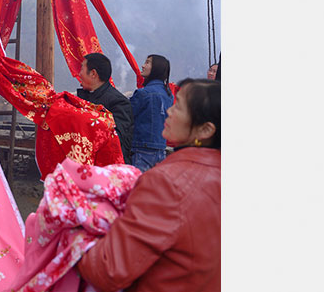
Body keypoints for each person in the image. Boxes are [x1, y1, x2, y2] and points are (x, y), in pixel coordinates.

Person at [77, 79, 221, 292]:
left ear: (205, 130)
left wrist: (74, 235)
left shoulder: (166, 183)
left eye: (179, 106)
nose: (169, 111)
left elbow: (107, 270)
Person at [77, 53, 134, 162]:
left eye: (82, 69)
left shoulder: (119, 103)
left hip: (108, 170)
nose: (79, 74)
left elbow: (117, 140)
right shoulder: (84, 99)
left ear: (93, 73)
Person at [129, 54, 174, 171]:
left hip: (141, 149)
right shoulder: (169, 95)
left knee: (137, 185)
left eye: (147, 63)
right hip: (161, 149)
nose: (143, 66)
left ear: (156, 68)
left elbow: (127, 116)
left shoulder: (143, 93)